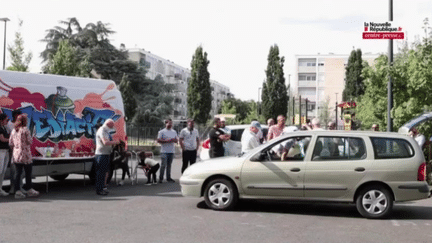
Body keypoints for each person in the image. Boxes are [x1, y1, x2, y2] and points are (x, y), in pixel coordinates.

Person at [9, 114, 39, 199]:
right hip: (25, 154)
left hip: (16, 154)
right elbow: (29, 141)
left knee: (18, 173)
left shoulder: (14, 130)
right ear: (24, 121)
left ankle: (17, 191)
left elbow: (10, 143)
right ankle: (29, 189)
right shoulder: (25, 130)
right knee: (28, 173)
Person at [94, 119, 119, 195]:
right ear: (108, 124)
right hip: (101, 154)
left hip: (105, 154)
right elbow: (105, 142)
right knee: (101, 173)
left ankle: (102, 188)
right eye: (112, 125)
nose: (113, 126)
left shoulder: (106, 131)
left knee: (104, 172)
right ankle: (99, 190)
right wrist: (116, 142)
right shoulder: (102, 131)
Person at [157, 118, 178, 183]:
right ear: (166, 123)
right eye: (169, 123)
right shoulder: (162, 132)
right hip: (164, 151)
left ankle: (168, 178)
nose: (170, 124)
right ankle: (161, 178)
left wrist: (174, 140)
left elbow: (176, 140)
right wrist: (167, 141)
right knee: (163, 165)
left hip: (171, 151)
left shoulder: (174, 131)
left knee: (169, 165)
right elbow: (158, 140)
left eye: (171, 123)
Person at [6, 109, 23, 194]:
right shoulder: (9, 124)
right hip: (13, 150)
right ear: (15, 115)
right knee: (13, 170)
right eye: (19, 115)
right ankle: (13, 187)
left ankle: (20, 187)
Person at [0, 114, 10, 196]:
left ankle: (0, 188)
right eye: (6, 120)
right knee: (0, 170)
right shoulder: (0, 128)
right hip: (1, 151)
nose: (7, 121)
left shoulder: (4, 128)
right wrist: (11, 140)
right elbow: (2, 139)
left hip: (5, 151)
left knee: (3, 171)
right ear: (1, 120)